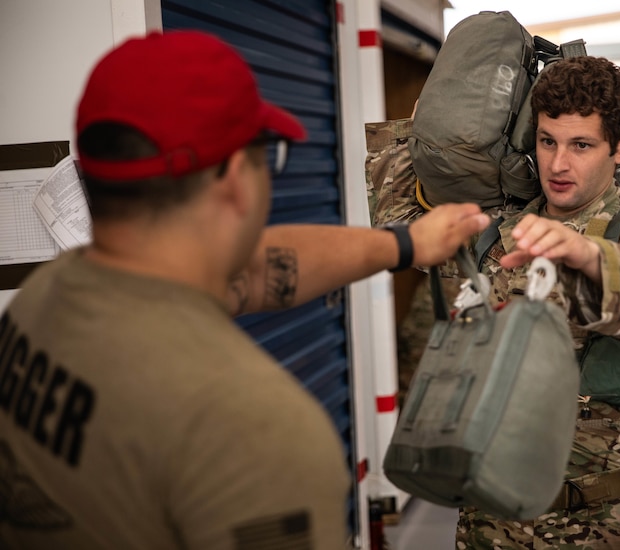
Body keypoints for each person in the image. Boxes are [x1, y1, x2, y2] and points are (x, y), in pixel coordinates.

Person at [0, 31, 490, 550]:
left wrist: (406, 243)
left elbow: (261, 269)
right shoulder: (250, 426)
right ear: (235, 177)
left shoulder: (46, 298)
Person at [367, 56, 620, 549]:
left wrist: (589, 255)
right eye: (547, 140)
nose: (557, 164)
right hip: (488, 524)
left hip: (600, 524)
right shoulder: (499, 231)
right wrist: (419, 129)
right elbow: (398, 224)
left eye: (581, 146)